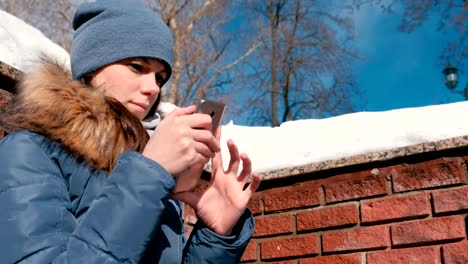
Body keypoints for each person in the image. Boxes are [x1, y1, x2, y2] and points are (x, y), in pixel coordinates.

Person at [0, 0, 261, 263]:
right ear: (93, 66)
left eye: (160, 77)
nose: (154, 88)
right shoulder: (28, 151)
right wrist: (148, 173)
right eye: (137, 67)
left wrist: (215, 235)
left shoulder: (153, 173)